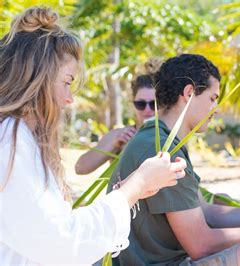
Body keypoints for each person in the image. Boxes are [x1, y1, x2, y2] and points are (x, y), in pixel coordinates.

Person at [0, 7, 187, 265]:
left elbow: (52, 228)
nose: (69, 98)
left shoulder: (16, 137)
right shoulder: (11, 140)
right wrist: (137, 185)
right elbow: (61, 243)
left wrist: (132, 188)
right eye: (66, 82)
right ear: (36, 80)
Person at [107, 53, 240, 265]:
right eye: (212, 98)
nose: (215, 109)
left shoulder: (159, 140)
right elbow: (201, 246)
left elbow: (206, 213)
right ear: (189, 93)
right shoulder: (162, 151)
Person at [75, 64, 158, 175]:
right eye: (141, 104)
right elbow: (80, 168)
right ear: (132, 103)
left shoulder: (169, 137)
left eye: (154, 104)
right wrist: (114, 145)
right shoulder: (120, 135)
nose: (147, 109)